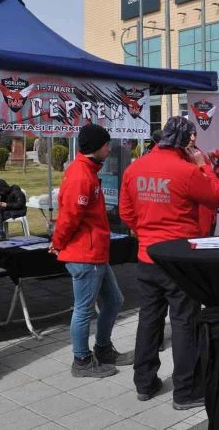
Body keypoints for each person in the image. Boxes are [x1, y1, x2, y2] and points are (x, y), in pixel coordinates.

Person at [120, 116, 219, 410]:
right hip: (180, 259)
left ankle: (144, 382)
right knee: (184, 323)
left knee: (149, 319)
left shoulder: (134, 168)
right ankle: (186, 390)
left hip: (147, 256)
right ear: (184, 142)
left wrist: (146, 232)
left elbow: (126, 213)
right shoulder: (187, 171)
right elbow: (218, 199)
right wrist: (204, 167)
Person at [49, 123, 132, 378]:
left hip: (94, 253)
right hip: (85, 255)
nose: (109, 148)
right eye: (106, 144)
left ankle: (103, 348)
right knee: (83, 309)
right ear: (95, 147)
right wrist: (58, 242)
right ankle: (82, 361)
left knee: (115, 300)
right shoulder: (81, 176)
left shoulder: (87, 170)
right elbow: (69, 218)